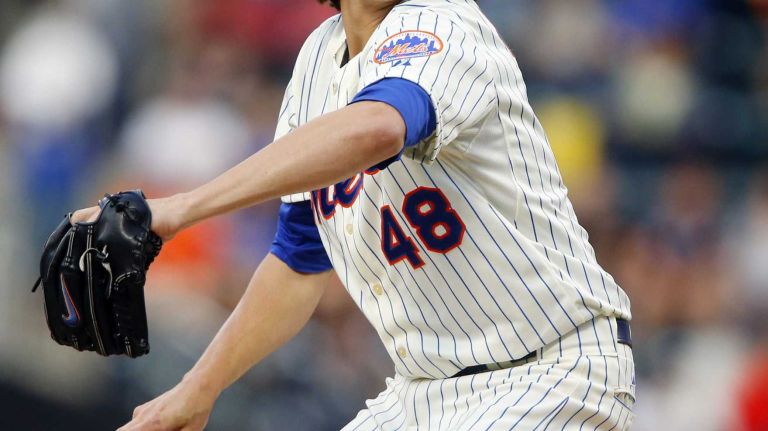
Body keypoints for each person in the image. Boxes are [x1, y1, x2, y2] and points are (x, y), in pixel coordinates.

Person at [74, 0, 636, 429]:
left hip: (550, 371)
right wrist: (198, 389)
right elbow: (299, 262)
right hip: (421, 391)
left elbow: (378, 128)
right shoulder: (318, 61)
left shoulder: (442, 23)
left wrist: (185, 207)